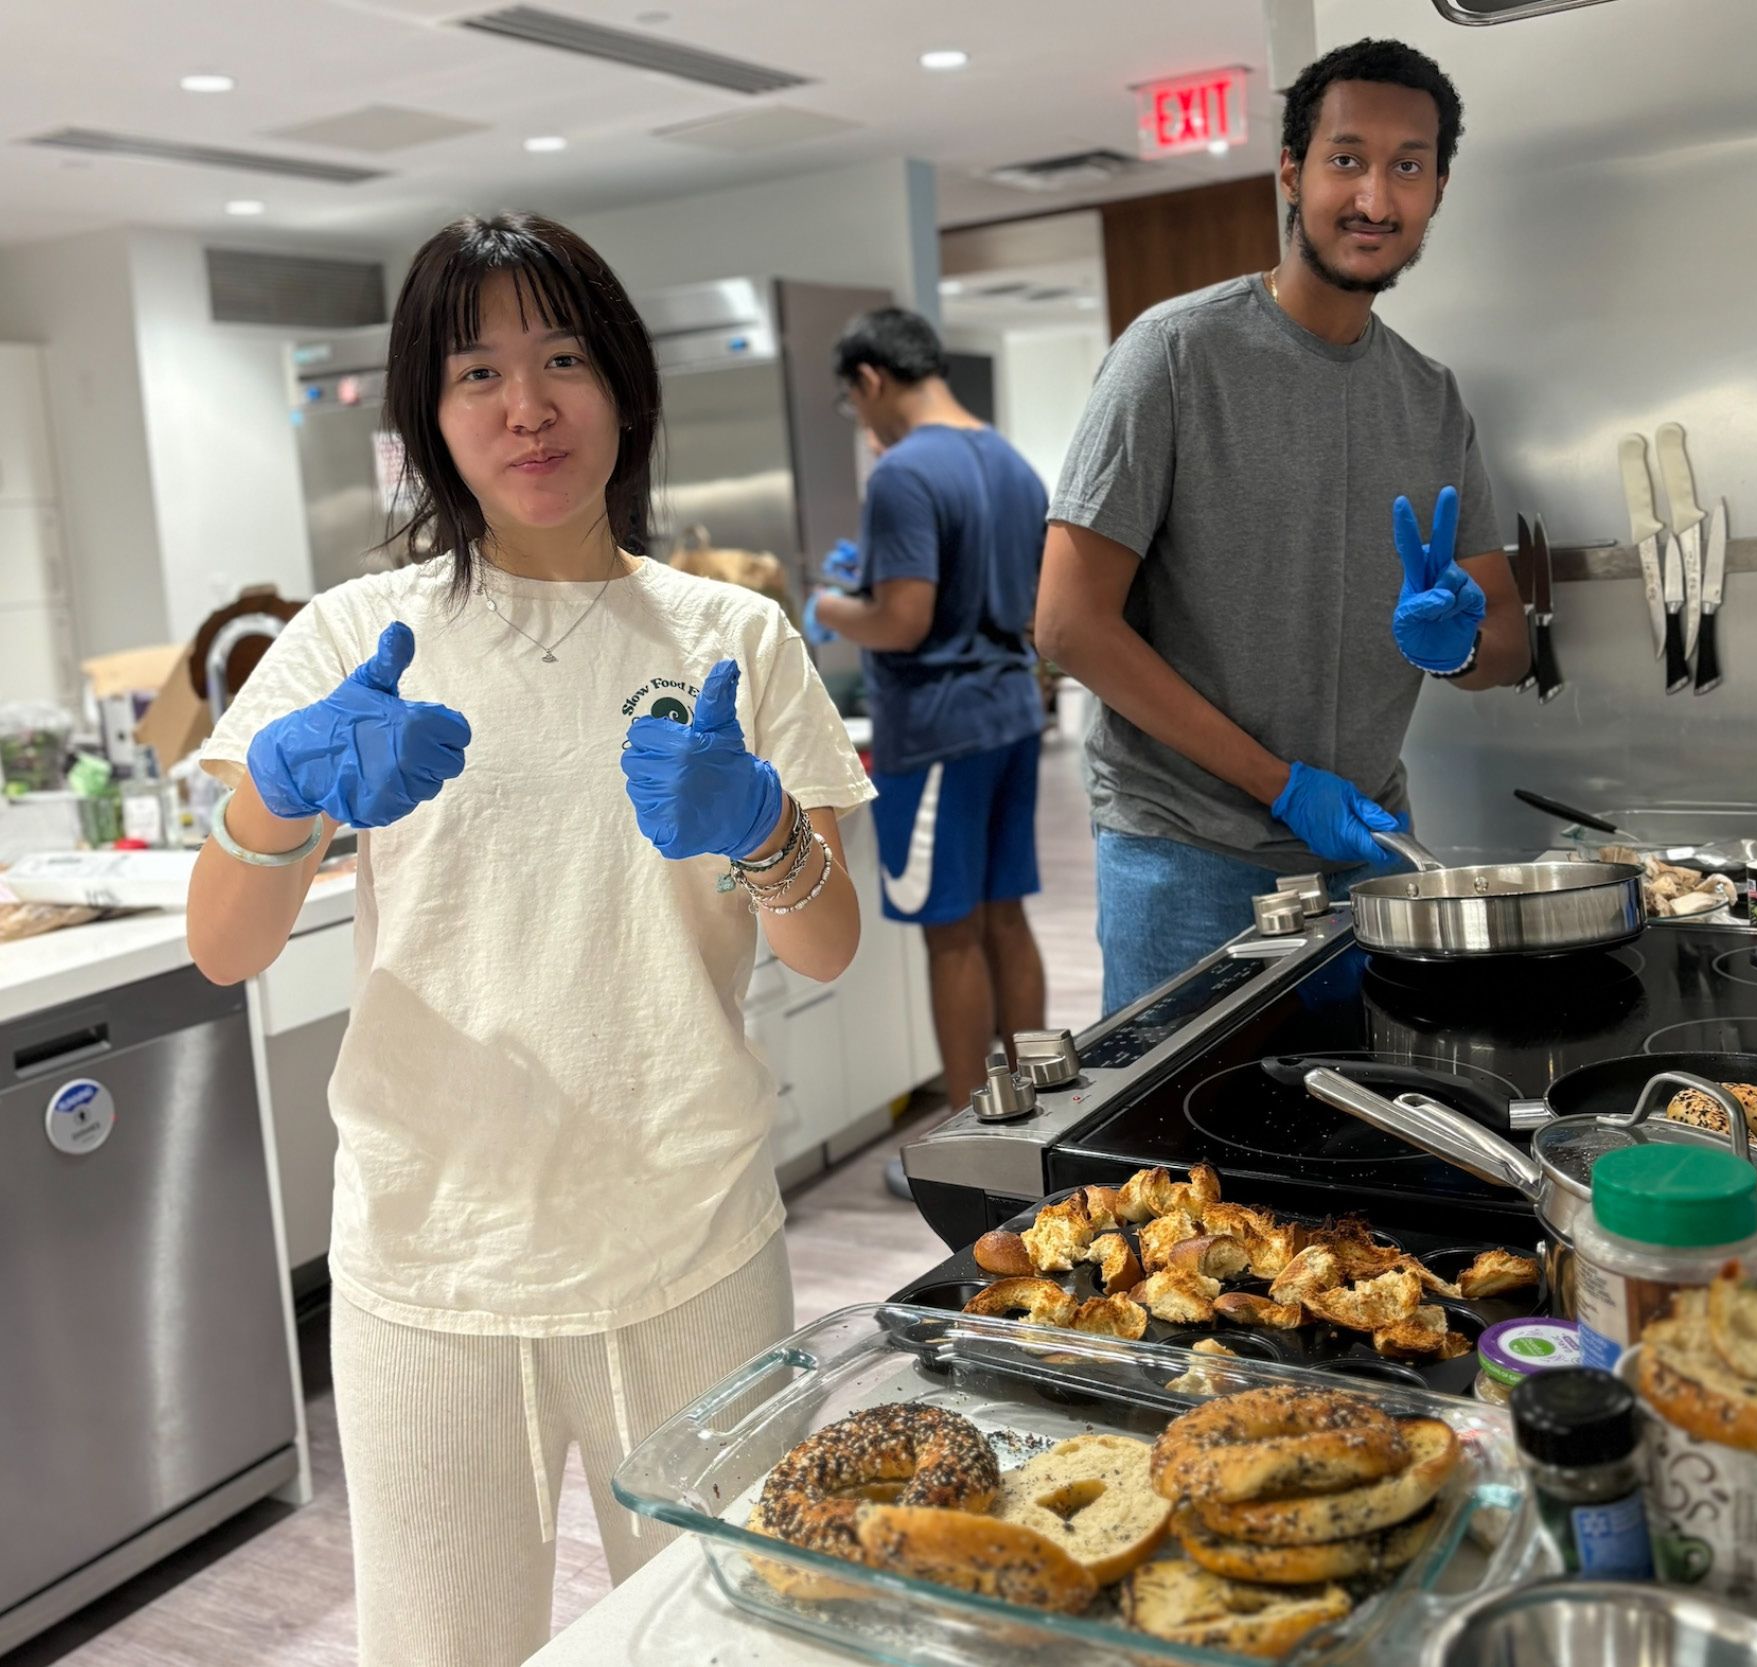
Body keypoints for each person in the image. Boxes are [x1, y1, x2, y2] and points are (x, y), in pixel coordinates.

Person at [185, 213, 872, 1667]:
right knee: (439, 1645)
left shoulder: (729, 637)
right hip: (430, 1258)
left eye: (561, 357)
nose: (525, 403)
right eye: (475, 371)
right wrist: (276, 789)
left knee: (737, 1638)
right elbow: (223, 947)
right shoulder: (353, 634)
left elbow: (822, 943)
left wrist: (759, 828)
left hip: (691, 1234)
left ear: (622, 384)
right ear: (428, 419)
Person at [1036, 37, 1527, 1016]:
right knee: (1174, 1157)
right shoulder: (1173, 357)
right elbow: (1068, 624)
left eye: (1408, 167)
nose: (1375, 199)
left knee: (1363, 1143)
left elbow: (1507, 644)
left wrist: (1460, 638)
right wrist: (1279, 782)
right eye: (1346, 159)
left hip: (1369, 858)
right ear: (1293, 173)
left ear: (1437, 190)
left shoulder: (1429, 399)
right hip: (1188, 861)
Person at [806, 307, 1049, 1119]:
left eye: (854, 402)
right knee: (1004, 920)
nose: (862, 421)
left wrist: (832, 608)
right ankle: (1038, 1112)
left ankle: (972, 1131)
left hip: (940, 726)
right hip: (1012, 711)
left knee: (950, 935)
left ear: (871, 380)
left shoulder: (905, 474)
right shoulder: (1012, 464)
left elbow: (903, 620)